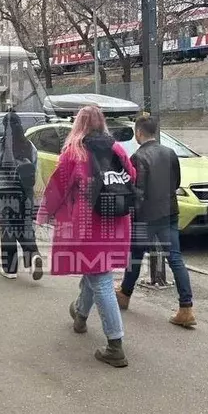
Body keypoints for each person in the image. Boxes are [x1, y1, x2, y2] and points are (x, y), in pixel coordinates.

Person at [37, 105, 136, 368]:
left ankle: (115, 344)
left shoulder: (74, 152)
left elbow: (57, 188)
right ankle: (80, 314)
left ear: (78, 124)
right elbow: (132, 176)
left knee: (100, 277)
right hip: (115, 222)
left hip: (88, 225)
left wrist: (44, 215)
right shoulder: (116, 148)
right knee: (94, 271)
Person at [115, 115, 195, 327]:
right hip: (169, 212)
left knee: (135, 255)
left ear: (138, 133)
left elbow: (137, 191)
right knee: (176, 259)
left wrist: (132, 216)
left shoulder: (137, 158)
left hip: (145, 217)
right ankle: (186, 308)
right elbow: (176, 181)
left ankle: (124, 294)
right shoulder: (169, 153)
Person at [0, 111, 44, 281]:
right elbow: (34, 167)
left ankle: (10, 269)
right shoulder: (29, 146)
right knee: (24, 227)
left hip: (6, 194)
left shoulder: (2, 145)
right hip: (25, 193)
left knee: (8, 230)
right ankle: (33, 254)